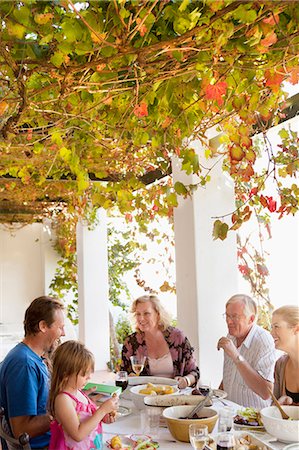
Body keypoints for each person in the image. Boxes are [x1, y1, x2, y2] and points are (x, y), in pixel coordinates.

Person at [0, 296, 65, 449]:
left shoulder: (32, 357)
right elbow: (21, 430)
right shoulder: (24, 364)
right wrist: (64, 412)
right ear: (43, 326)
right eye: (60, 327)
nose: (63, 333)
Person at [48, 340, 118, 450]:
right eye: (84, 374)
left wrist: (103, 417)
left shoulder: (79, 392)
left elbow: (86, 418)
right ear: (66, 374)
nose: (89, 377)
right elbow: (78, 434)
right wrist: (102, 411)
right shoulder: (63, 400)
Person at [120, 294, 200, 389]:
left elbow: (194, 372)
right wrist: (129, 378)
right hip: (143, 398)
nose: (141, 318)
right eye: (138, 314)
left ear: (158, 314)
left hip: (175, 397)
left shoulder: (177, 337)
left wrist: (186, 381)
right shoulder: (131, 342)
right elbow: (122, 374)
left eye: (146, 313)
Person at [217, 294, 276, 408]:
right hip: (230, 412)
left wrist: (236, 356)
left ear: (251, 319)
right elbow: (229, 376)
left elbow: (266, 393)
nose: (229, 321)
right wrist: (214, 398)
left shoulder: (263, 341)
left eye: (234, 316)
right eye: (227, 316)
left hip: (253, 418)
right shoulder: (231, 336)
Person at [271, 305, 299, 406]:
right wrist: (280, 404)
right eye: (272, 327)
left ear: (296, 328)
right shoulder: (280, 364)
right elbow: (273, 411)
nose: (271, 333)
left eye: (276, 326)